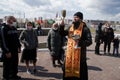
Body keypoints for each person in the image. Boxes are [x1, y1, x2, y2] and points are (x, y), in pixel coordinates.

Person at [59, 12, 92, 80]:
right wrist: (61, 26)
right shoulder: (71, 27)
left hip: (80, 58)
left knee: (79, 76)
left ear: (81, 19)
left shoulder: (85, 29)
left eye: (76, 17)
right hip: (70, 56)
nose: (74, 18)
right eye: (74, 17)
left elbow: (89, 41)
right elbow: (62, 33)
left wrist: (79, 42)